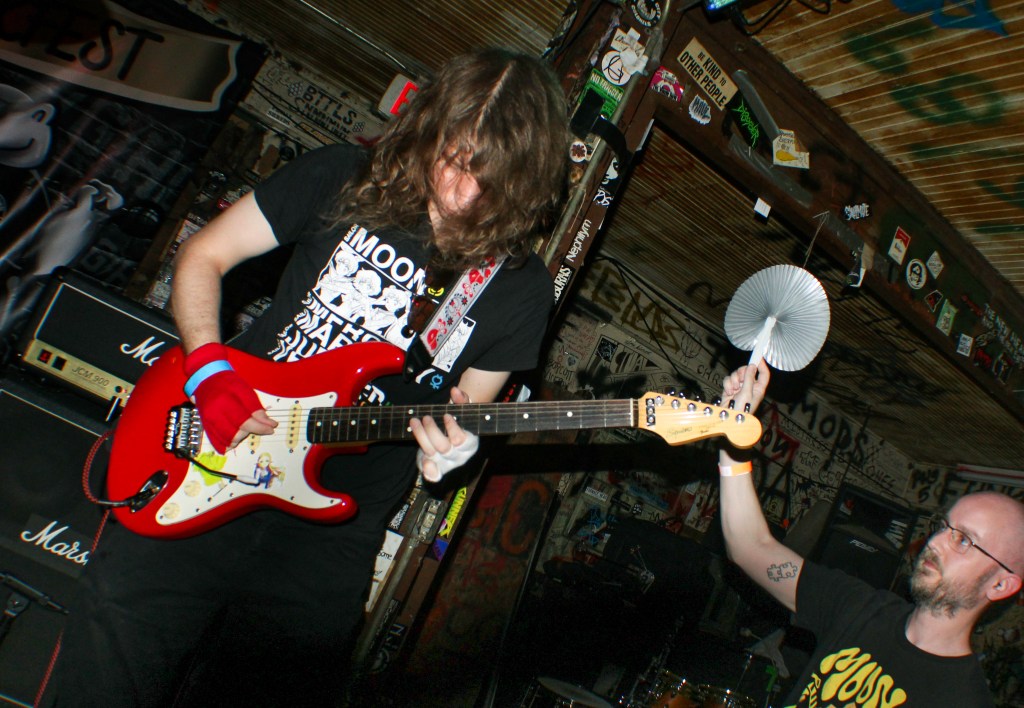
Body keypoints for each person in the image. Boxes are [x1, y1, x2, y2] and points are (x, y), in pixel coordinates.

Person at [50, 47, 569, 706]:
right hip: (211, 461)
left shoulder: (520, 289)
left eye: (488, 180)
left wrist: (454, 454)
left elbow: (466, 415)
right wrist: (208, 367)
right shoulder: (342, 175)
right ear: (431, 128)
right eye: (453, 158)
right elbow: (204, 255)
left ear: (524, 182)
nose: (461, 191)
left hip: (324, 541)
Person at [716, 361, 1022, 707]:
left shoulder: (962, 701)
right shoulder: (860, 607)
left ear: (1001, 584)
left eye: (963, 540)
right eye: (943, 527)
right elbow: (750, 546)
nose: (936, 542)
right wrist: (733, 434)